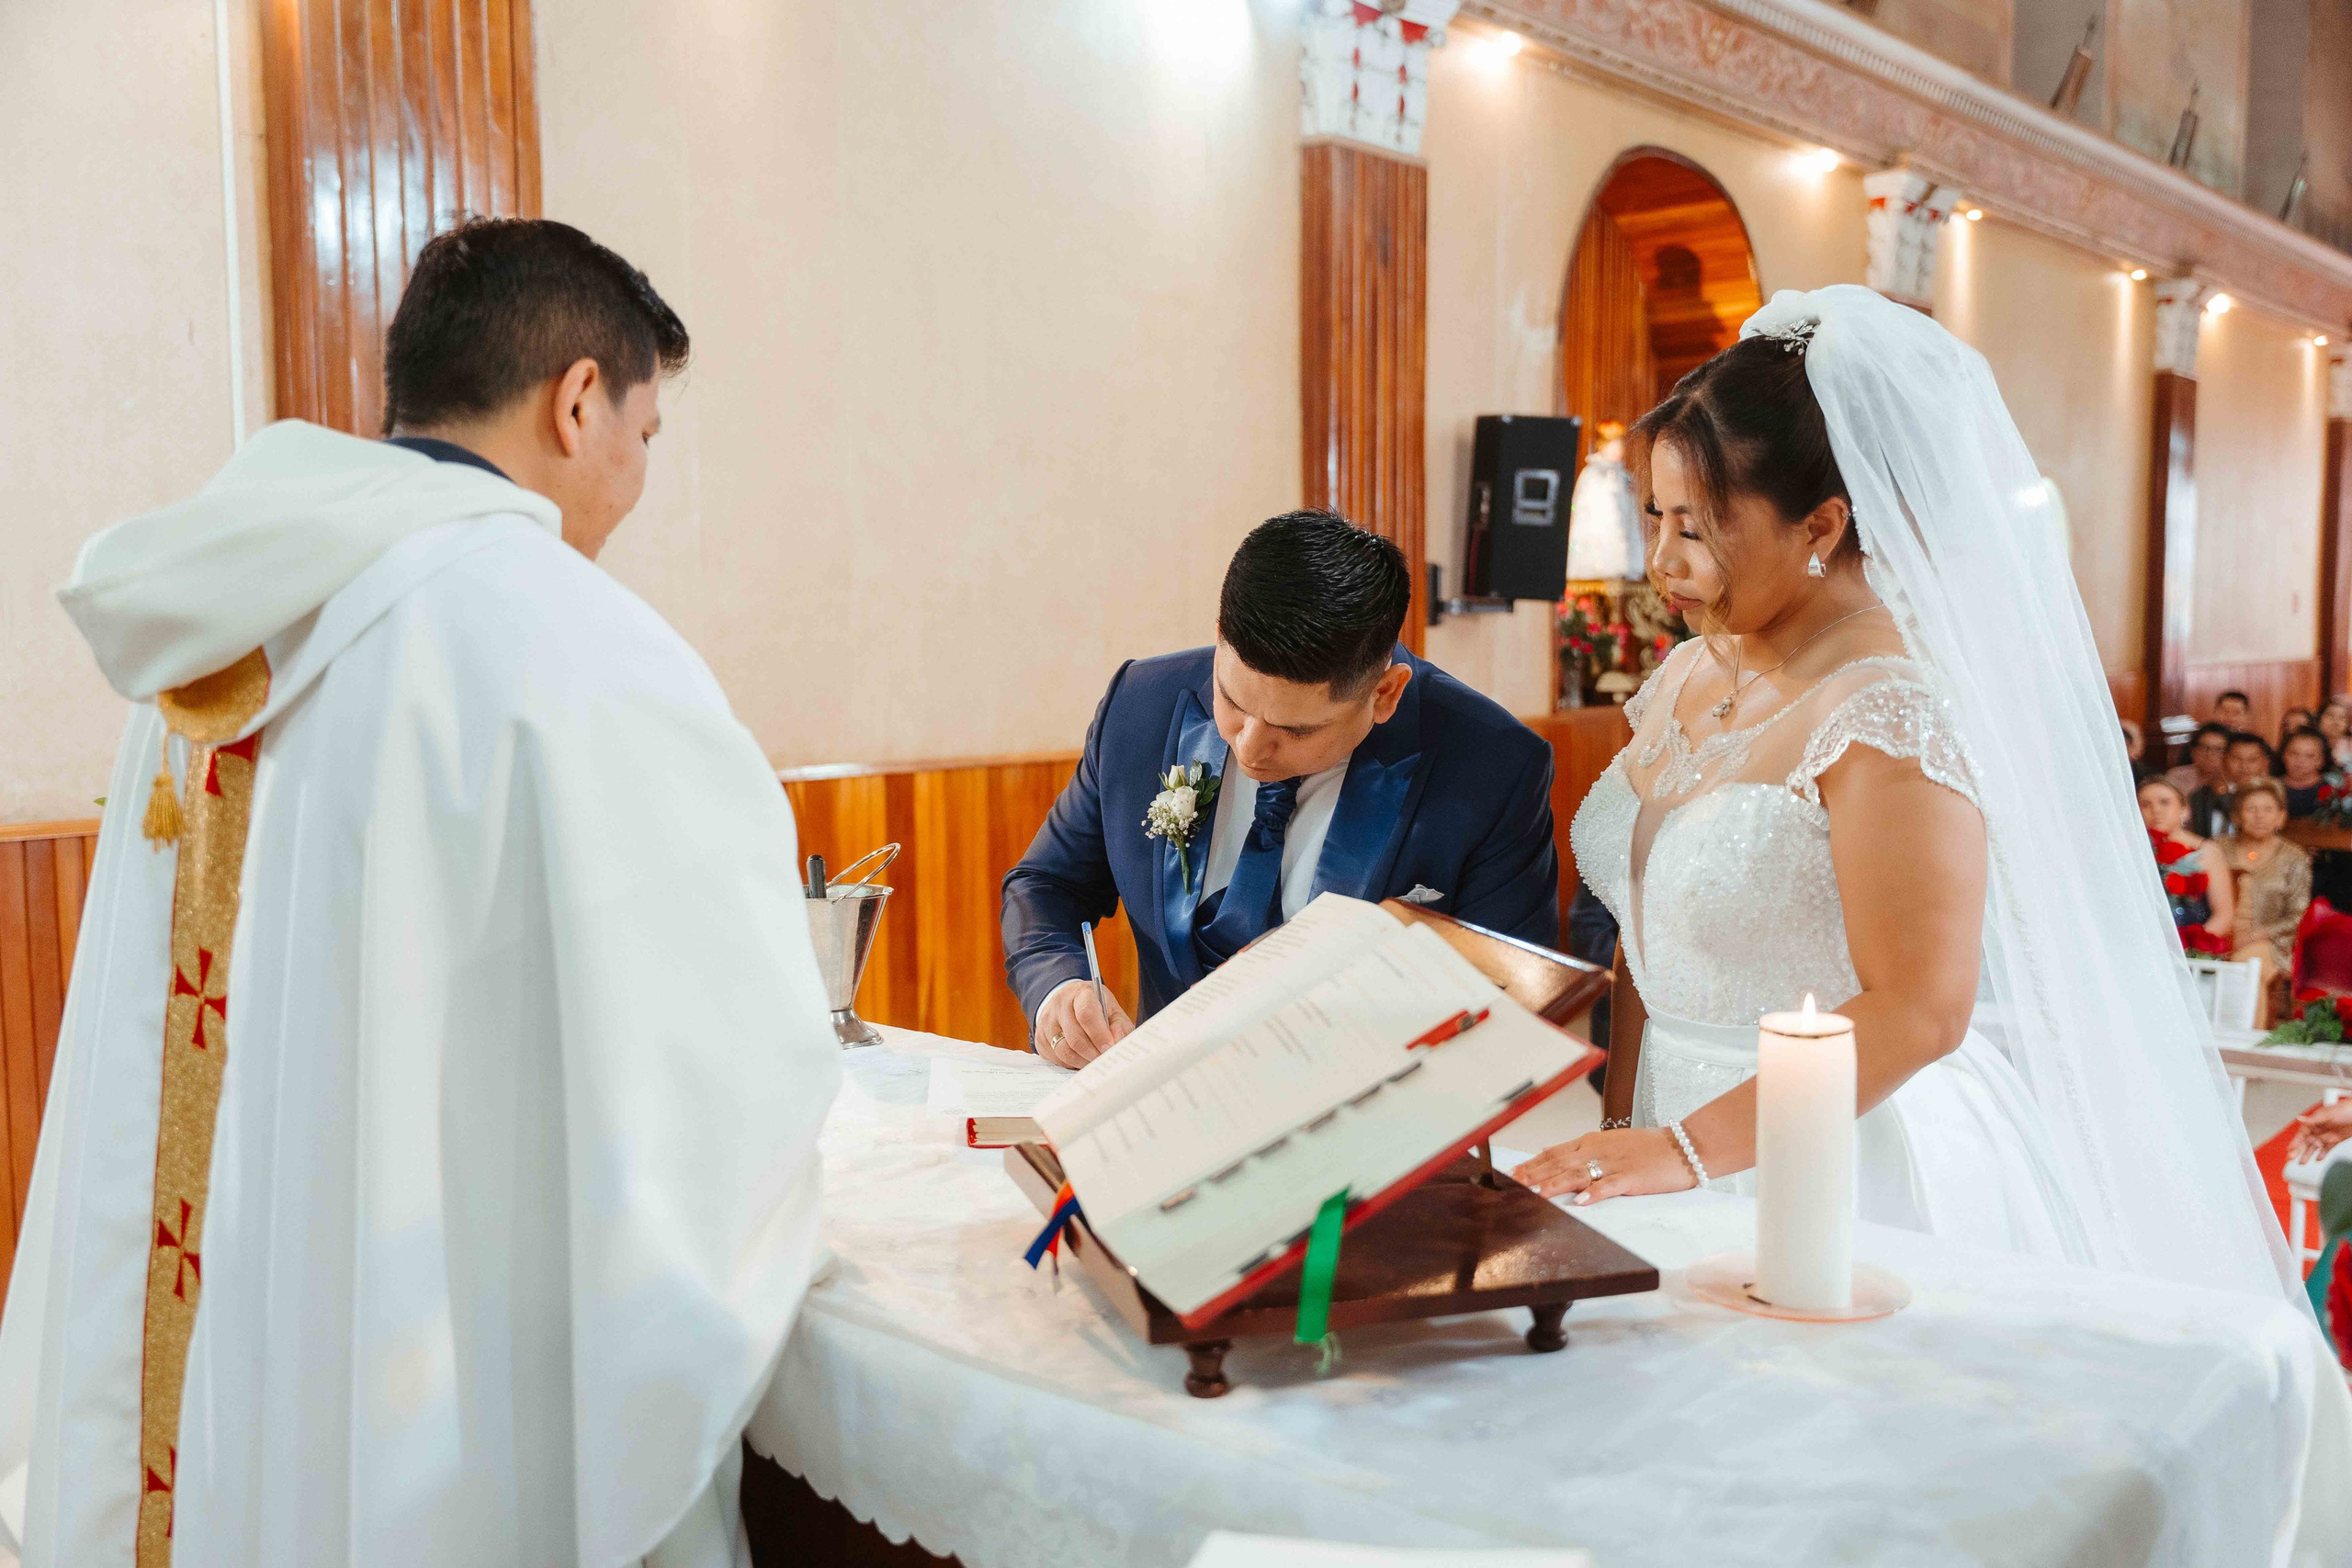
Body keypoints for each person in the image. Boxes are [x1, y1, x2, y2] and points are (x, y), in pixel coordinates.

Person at [0, 220, 841, 1568]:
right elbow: (719, 1064)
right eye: (645, 431)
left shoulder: (219, 619)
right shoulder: (563, 637)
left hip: (241, 1340)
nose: (634, 476)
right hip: (420, 1355)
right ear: (577, 399)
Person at [1519, 285, 2297, 1309]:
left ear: (1823, 523)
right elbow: (1645, 940)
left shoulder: (1890, 710)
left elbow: (1923, 1007)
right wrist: (1629, 1127)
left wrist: (1689, 1151)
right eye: (1656, 520)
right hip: (1660, 1122)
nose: (1661, 562)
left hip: (1844, 1152)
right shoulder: (1685, 677)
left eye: (1697, 530)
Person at [1002, 511, 1559, 1069]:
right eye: (1233, 704)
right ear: (1221, 637)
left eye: (1296, 731)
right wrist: (1059, 989)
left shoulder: (1492, 767)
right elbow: (1047, 884)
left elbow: (1507, 1004)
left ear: (1385, 695)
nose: (1249, 749)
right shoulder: (1139, 705)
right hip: (1159, 1110)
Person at [2221, 779, 2312, 999]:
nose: (2260, 816)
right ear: (2236, 816)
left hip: (2272, 943)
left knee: (2246, 968)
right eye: (2251, 809)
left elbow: (2299, 915)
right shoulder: (2217, 849)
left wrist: (2254, 935)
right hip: (2219, 937)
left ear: (2281, 817)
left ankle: (2254, 1033)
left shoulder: (2294, 857)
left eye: (2268, 809)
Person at [2141, 776, 2236, 956]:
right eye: (2146, 805)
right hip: (2144, 945)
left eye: (2164, 802)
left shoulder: (2207, 852)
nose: (2156, 810)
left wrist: (2190, 947)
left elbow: (2224, 915)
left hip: (2192, 950)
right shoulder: (2134, 853)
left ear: (2184, 809)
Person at [2280, 728, 2339, 818]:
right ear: (2284, 755)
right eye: (2294, 753)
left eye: (2310, 756)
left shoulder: (2331, 792)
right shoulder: (2272, 788)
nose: (2300, 761)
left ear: (2321, 761)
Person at [2166, 719, 2231, 798]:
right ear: (2193, 751)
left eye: (2219, 749)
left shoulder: (2235, 778)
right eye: (2204, 748)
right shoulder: (2176, 777)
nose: (2210, 755)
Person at [2319, 700, 2352, 771]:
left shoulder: (2350, 745)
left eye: (2342, 718)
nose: (2336, 722)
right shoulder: (2309, 744)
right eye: (2330, 715)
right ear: (2319, 719)